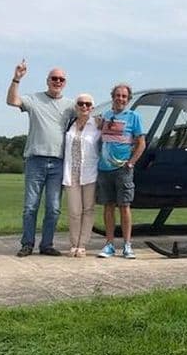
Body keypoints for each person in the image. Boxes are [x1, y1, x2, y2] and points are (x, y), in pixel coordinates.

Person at [6, 60, 75, 257]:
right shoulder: (34, 99)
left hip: (59, 162)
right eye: (54, 78)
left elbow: (88, 114)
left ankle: (46, 245)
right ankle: (27, 244)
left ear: (65, 83)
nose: (57, 81)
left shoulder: (71, 105)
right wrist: (16, 79)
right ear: (48, 81)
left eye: (61, 79)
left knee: (53, 208)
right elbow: (12, 101)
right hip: (35, 160)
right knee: (30, 206)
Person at [96, 83, 146, 259]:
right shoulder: (104, 117)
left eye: (124, 96)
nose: (120, 99)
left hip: (123, 169)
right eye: (118, 95)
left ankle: (127, 245)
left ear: (128, 99)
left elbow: (141, 143)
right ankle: (109, 244)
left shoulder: (134, 117)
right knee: (108, 207)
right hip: (104, 168)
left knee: (124, 206)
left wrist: (131, 162)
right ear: (113, 97)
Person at [62, 93, 100, 258]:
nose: (84, 106)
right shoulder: (70, 124)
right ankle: (73, 243)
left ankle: (82, 244)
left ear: (92, 107)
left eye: (87, 104)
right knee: (74, 210)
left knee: (88, 209)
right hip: (71, 173)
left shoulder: (98, 124)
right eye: (81, 103)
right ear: (76, 106)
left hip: (90, 172)